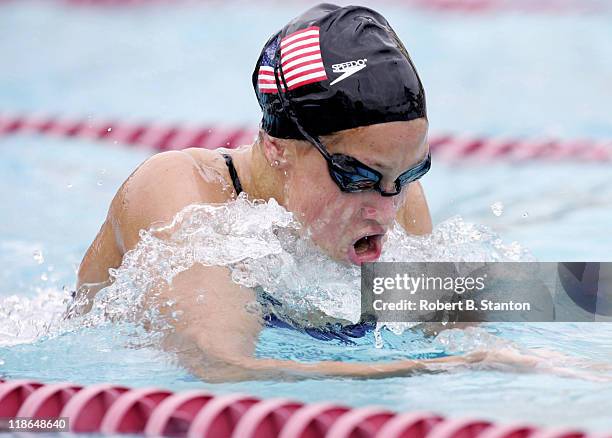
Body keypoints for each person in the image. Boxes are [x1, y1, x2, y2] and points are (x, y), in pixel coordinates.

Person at [73, 4, 538, 381]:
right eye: (356, 177)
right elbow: (220, 366)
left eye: (413, 171)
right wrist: (447, 369)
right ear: (278, 147)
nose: (388, 206)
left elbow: (462, 331)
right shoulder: (185, 196)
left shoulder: (398, 194)